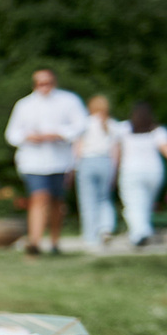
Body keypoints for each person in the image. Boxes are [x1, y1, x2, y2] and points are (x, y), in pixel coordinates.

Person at [3, 68, 85, 255]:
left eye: (47, 83)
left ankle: (55, 242)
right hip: (33, 161)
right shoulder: (24, 105)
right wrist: (29, 137)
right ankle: (35, 242)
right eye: (40, 83)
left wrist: (59, 134)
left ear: (53, 82)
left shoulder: (69, 101)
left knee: (56, 202)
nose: (44, 87)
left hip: (60, 161)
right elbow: (12, 134)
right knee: (39, 198)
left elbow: (80, 125)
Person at [116, 102, 167, 248]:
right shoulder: (158, 131)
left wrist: (113, 169)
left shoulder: (123, 128)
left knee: (133, 205)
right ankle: (143, 231)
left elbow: (116, 151)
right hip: (154, 172)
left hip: (131, 171)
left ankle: (139, 234)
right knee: (146, 205)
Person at [72, 94, 122, 249]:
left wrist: (74, 167)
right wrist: (115, 170)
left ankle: (90, 235)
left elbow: (77, 148)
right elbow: (116, 151)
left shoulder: (85, 123)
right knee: (104, 199)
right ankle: (106, 228)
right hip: (106, 163)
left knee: (88, 201)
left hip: (87, 162)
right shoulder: (113, 124)